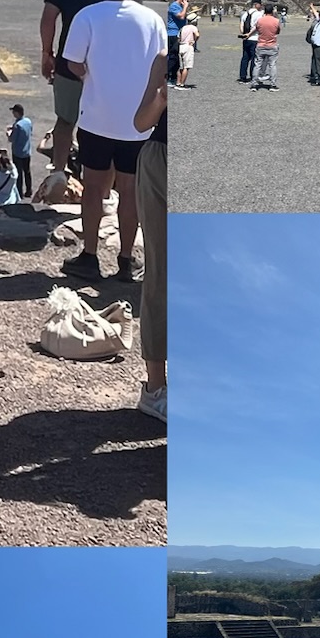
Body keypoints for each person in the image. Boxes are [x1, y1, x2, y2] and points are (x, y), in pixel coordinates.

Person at [60, 0, 167, 283]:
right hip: (137, 122)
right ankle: (125, 259)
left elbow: (73, 63)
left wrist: (92, 73)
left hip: (96, 117)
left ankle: (90, 256)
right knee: (130, 190)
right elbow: (160, 65)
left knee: (94, 188)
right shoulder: (153, 20)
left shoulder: (88, 16)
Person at [40, 0, 138, 174]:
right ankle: (104, 184)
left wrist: (47, 53)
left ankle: (59, 172)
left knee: (65, 120)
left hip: (70, 62)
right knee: (108, 126)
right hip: (111, 69)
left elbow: (48, 18)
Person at [131, 48, 167, 424]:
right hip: (161, 161)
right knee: (160, 272)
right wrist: (161, 98)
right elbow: (141, 122)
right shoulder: (163, 58)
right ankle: (156, 388)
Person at [252, 3, 282, 88]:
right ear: (272, 11)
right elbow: (278, 31)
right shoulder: (276, 21)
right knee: (272, 65)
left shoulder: (260, 20)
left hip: (261, 44)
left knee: (257, 65)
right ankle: (273, 84)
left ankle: (254, 83)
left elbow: (257, 29)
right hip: (272, 44)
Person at [8, 104, 34, 197]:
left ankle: (19, 192)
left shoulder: (17, 125)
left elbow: (12, 139)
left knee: (18, 173)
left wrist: (9, 133)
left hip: (18, 152)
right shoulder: (28, 121)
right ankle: (29, 190)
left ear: (17, 113)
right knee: (27, 172)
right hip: (27, 151)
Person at [237, 0, 260, 83]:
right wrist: (249, 34)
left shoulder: (245, 13)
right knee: (254, 58)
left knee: (245, 58)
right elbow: (257, 26)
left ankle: (242, 77)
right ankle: (252, 76)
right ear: (256, 4)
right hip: (254, 38)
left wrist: (243, 34)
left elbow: (241, 24)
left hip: (245, 39)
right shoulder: (258, 14)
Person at [174, 11, 199, 87]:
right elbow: (197, 35)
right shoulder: (194, 28)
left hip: (181, 46)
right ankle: (182, 84)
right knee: (186, 67)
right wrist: (194, 41)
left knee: (180, 67)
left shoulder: (183, 28)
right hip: (188, 46)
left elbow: (178, 38)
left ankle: (178, 82)